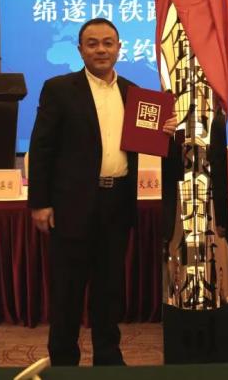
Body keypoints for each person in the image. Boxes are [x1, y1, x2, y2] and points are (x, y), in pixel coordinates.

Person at [28, 18, 176, 366]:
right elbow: (42, 148)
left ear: (119, 48)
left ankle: (108, 357)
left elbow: (147, 143)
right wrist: (40, 203)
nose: (101, 50)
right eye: (92, 43)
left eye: (108, 43)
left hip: (117, 203)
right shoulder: (59, 89)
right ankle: (63, 360)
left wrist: (165, 132)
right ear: (80, 50)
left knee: (110, 289)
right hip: (72, 205)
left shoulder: (134, 94)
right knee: (67, 290)